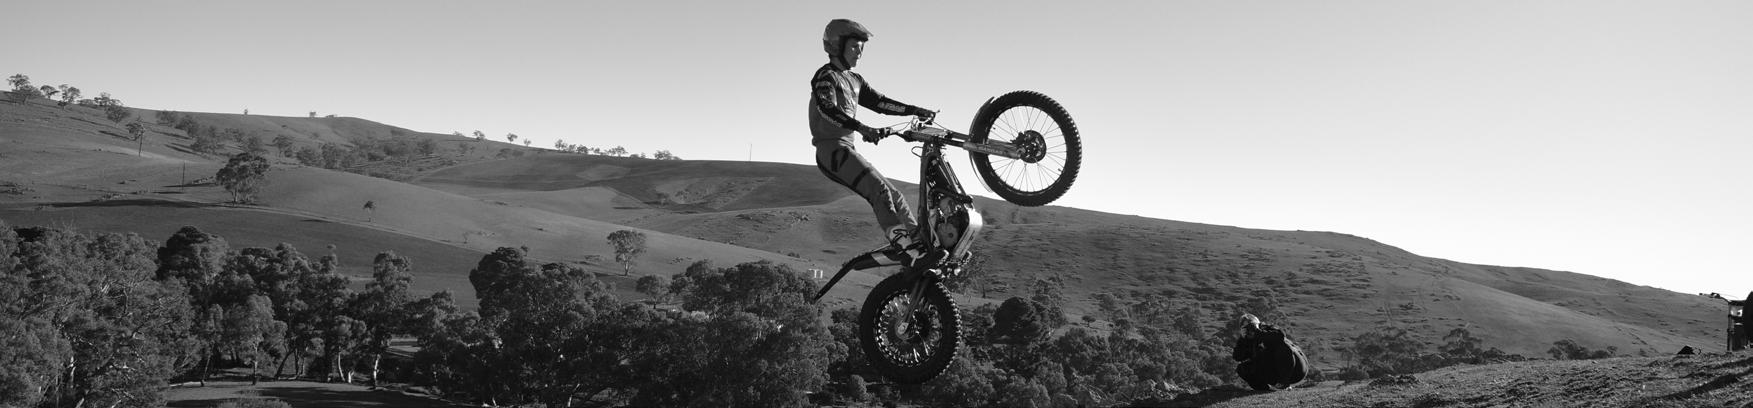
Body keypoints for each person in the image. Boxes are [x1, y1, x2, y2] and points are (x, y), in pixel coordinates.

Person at [809, 18, 943, 267]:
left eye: (862, 48)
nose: (859, 52)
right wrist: (862, 128)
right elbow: (827, 108)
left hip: (847, 148)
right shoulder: (826, 76)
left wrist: (914, 110)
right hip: (831, 151)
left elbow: (881, 103)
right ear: (836, 46)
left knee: (896, 196)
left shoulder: (855, 80)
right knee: (879, 191)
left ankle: (918, 241)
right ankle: (906, 248)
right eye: (854, 46)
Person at [1232, 314, 1310, 391]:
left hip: (1297, 370)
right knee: (1242, 368)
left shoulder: (1268, 329)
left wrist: (1258, 331)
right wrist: (1243, 339)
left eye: (1251, 326)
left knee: (1282, 346)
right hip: (1273, 371)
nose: (1249, 330)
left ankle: (1283, 382)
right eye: (1245, 328)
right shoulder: (1247, 340)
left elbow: (1280, 337)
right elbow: (1237, 357)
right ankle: (1264, 389)